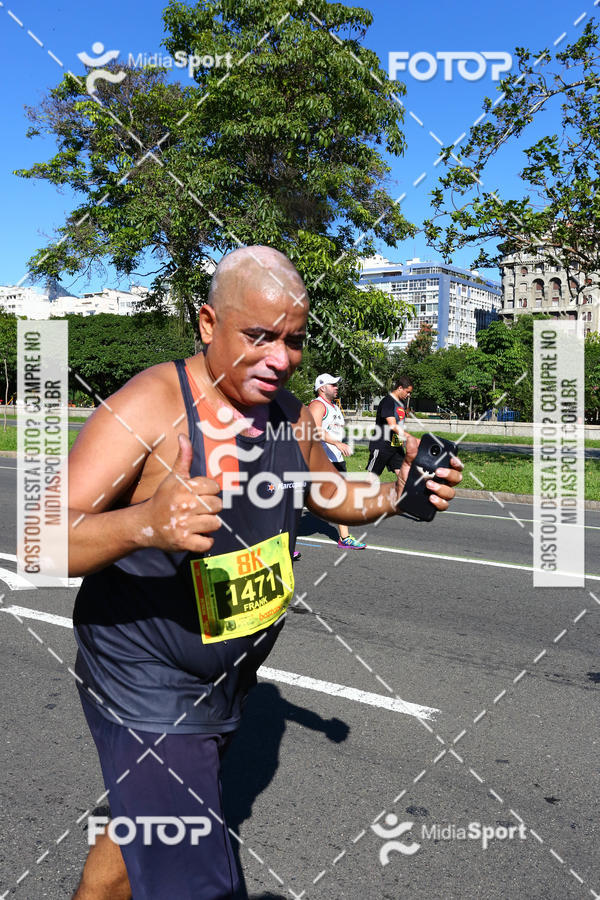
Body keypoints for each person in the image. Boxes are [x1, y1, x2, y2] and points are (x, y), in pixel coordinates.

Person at [66, 247, 461, 900]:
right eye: (260, 336)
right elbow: (41, 537)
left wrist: (398, 492)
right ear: (206, 324)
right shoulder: (149, 405)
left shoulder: (283, 416)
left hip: (225, 676)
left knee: (130, 853)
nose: (281, 358)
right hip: (145, 675)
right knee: (198, 879)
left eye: (294, 340)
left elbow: (332, 496)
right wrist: (144, 525)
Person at [308, 373, 366, 549]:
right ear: (322, 388)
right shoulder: (318, 405)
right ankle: (282, 539)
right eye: (332, 384)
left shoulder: (333, 406)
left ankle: (344, 538)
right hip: (320, 460)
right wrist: (336, 442)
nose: (336, 387)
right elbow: (314, 430)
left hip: (336, 459)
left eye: (336, 384)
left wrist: (339, 444)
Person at [366, 376, 414, 478]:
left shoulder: (401, 403)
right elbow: (392, 425)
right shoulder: (388, 401)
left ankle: (401, 494)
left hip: (396, 445)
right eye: (407, 392)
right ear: (400, 388)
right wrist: (410, 438)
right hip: (382, 445)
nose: (409, 395)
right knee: (371, 479)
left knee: (404, 478)